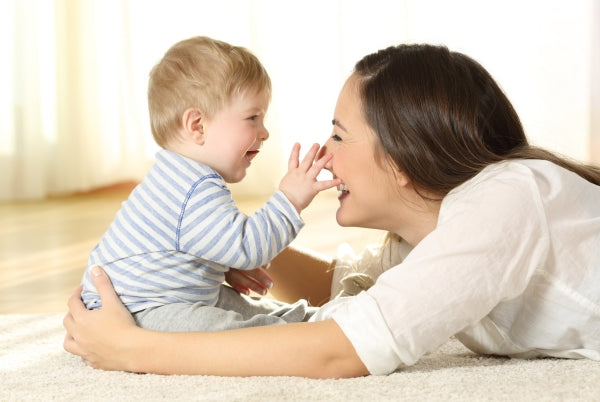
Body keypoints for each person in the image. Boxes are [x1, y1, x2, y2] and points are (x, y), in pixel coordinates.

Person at [64, 43, 600, 378]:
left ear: (402, 158)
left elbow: (339, 353)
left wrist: (132, 348)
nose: (325, 153)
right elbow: (340, 286)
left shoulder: (505, 200)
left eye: (339, 135)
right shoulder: (427, 237)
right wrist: (206, 250)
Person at [80, 36, 340, 332]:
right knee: (229, 330)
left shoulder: (177, 175)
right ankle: (307, 328)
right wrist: (290, 198)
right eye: (253, 117)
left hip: (150, 301)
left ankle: (310, 319)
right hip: (138, 311)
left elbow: (193, 247)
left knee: (237, 305)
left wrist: (219, 264)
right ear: (198, 126)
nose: (264, 132)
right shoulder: (194, 186)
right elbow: (246, 248)